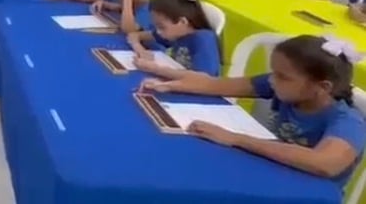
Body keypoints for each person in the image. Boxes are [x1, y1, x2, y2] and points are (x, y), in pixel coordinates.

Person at [140, 35, 365, 189]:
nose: (271, 80)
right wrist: (169, 83)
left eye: (282, 76)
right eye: (273, 72)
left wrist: (237, 139)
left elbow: (325, 163)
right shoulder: (284, 88)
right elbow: (218, 85)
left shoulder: (347, 121)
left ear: (322, 87)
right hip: (270, 171)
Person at [126, 0, 221, 78]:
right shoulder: (177, 33)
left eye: (162, 27)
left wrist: (156, 69)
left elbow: (204, 79)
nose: (158, 32)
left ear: (182, 22)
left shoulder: (204, 40)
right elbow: (134, 35)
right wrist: (140, 50)